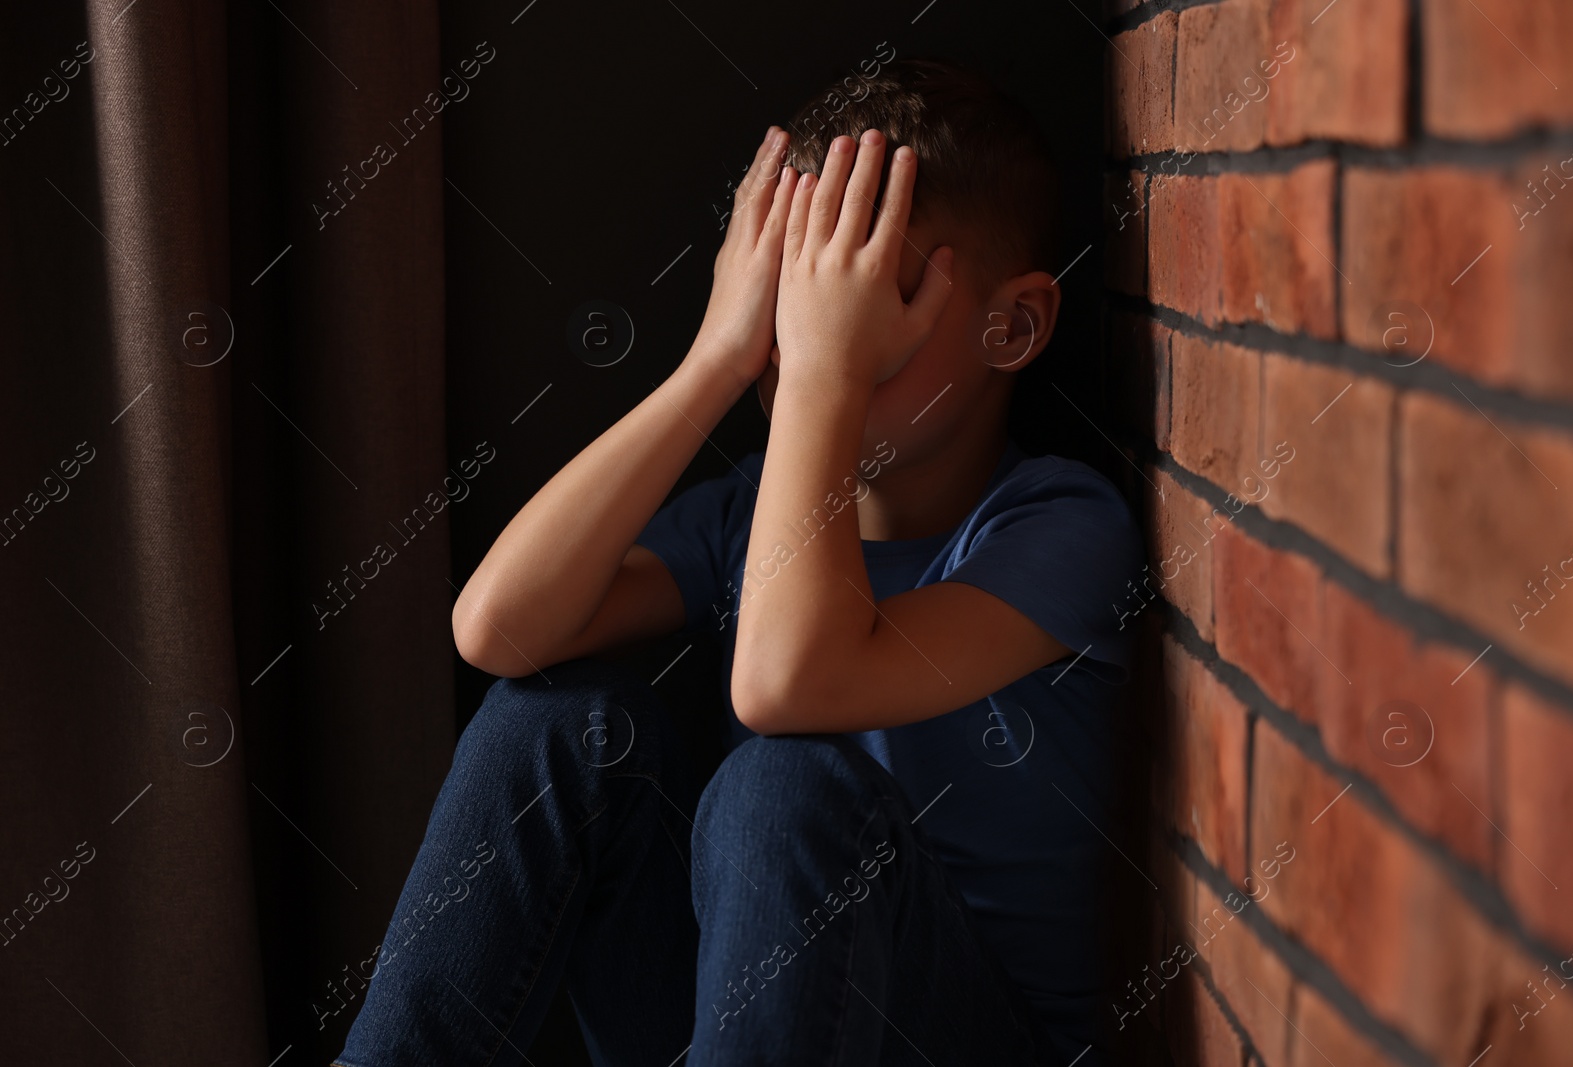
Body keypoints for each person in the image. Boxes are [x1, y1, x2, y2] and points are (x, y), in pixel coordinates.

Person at [333, 57, 1141, 1067]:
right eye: (787, 310)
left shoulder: (1059, 525)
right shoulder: (744, 517)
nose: (802, 345)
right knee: (554, 721)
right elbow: (497, 628)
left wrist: (819, 371)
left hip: (963, 1035)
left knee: (783, 783)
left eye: (859, 313)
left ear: (1010, 325)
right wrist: (716, 355)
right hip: (763, 1028)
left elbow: (787, 685)